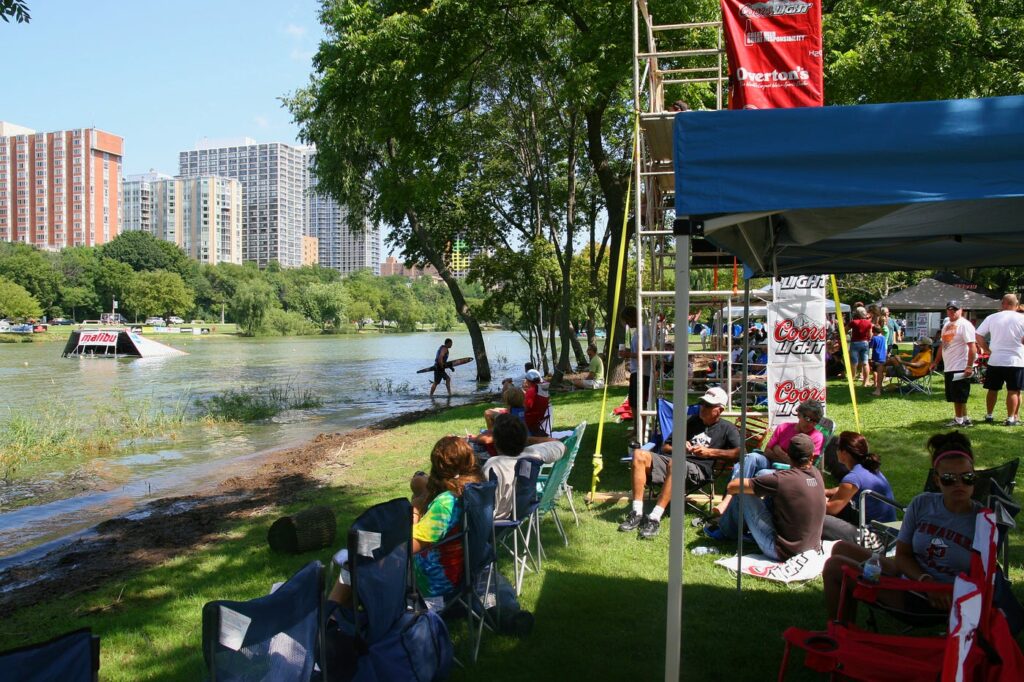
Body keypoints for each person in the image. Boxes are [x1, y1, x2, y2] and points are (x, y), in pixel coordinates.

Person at [823, 432, 980, 622]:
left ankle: (839, 632)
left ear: (975, 477)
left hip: (933, 599)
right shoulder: (922, 504)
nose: (959, 484)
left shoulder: (982, 520)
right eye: (949, 478)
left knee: (834, 566)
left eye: (967, 477)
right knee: (840, 548)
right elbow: (903, 555)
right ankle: (844, 629)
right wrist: (924, 579)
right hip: (913, 578)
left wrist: (933, 587)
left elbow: (983, 579)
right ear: (937, 480)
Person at [330, 435, 483, 607]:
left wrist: (415, 510)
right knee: (362, 553)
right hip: (457, 577)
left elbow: (404, 547)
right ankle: (347, 617)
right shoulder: (474, 490)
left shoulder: (446, 503)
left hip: (433, 588)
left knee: (356, 560)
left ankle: (329, 617)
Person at [618, 387, 741, 540]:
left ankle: (654, 518)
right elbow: (666, 447)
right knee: (639, 455)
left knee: (675, 464)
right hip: (674, 462)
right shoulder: (692, 421)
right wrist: (681, 447)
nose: (702, 408)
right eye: (702, 403)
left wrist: (711, 452)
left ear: (720, 410)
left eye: (708, 406)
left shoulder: (728, 429)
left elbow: (741, 453)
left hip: (698, 471)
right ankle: (637, 512)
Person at [705, 433, 825, 561]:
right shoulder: (817, 475)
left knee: (743, 492)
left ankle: (726, 531)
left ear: (788, 455)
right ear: (812, 456)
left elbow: (733, 485)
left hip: (782, 551)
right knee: (761, 486)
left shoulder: (782, 480)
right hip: (811, 548)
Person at [713, 399, 825, 516]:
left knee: (762, 474)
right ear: (799, 414)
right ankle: (730, 499)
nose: (811, 424)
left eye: (815, 421)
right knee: (751, 457)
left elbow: (804, 467)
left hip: (789, 471)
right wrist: (781, 455)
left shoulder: (817, 437)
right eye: (808, 418)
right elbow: (767, 452)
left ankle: (733, 507)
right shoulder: (784, 428)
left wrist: (780, 453)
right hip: (770, 461)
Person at [481, 413, 565, 520]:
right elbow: (559, 445)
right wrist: (527, 440)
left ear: (496, 442)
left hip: (497, 520)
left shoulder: (493, 465)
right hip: (521, 511)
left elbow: (481, 502)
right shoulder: (532, 455)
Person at [822, 432, 896, 543]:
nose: (835, 451)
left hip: (877, 539)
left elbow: (831, 509)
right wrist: (825, 492)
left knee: (819, 519)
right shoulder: (867, 468)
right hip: (889, 533)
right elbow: (843, 490)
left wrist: (812, 498)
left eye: (837, 448)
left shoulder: (853, 478)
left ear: (844, 453)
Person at [975, 293, 1024, 426]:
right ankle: (1011, 418)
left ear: (1003, 304)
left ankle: (989, 415)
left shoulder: (992, 317)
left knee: (992, 389)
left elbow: (978, 335)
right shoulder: (1022, 318)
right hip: (1016, 360)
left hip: (995, 359)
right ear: (1016, 305)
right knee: (1013, 390)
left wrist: (986, 349)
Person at [931, 301, 978, 427]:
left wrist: (969, 365)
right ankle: (965, 418)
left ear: (961, 310)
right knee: (956, 395)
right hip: (949, 366)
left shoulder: (965, 325)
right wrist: (935, 361)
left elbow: (972, 347)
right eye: (949, 309)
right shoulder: (947, 325)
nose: (952, 311)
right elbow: (943, 345)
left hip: (961, 365)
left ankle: (959, 420)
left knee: (959, 395)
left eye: (955, 309)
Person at [619, 306, 652, 435]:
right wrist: (629, 352)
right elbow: (638, 351)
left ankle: (641, 431)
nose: (627, 324)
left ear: (632, 317)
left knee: (640, 403)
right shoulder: (637, 332)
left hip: (642, 372)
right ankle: (636, 428)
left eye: (627, 320)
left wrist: (629, 355)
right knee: (633, 403)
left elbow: (648, 353)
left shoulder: (644, 331)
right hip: (635, 371)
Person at [522, 369, 551, 436]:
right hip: (539, 418)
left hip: (529, 419)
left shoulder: (531, 391)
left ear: (528, 380)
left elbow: (526, 408)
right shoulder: (542, 389)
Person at [849, 307, 873, 387]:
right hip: (865, 343)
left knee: (854, 363)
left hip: (855, 343)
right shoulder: (868, 323)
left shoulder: (853, 322)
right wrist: (867, 340)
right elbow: (870, 335)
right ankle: (865, 382)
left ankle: (852, 380)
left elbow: (844, 330)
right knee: (865, 363)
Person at [869, 324, 888, 396]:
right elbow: (885, 348)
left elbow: (870, 348)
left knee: (875, 371)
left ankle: (876, 385)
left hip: (876, 357)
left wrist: (870, 358)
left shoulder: (874, 338)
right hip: (883, 357)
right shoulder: (883, 338)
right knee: (881, 372)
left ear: (874, 331)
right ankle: (880, 385)